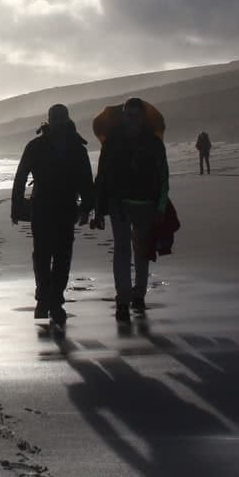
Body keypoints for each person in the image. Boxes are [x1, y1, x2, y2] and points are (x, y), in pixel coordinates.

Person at [11, 103, 95, 329]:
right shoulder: (36, 146)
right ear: (49, 120)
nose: (58, 123)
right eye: (55, 119)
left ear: (66, 120)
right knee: (42, 255)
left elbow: (86, 180)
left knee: (60, 257)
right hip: (42, 208)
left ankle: (54, 300)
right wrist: (16, 206)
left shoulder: (76, 148)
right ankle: (44, 298)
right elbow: (20, 177)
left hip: (65, 208)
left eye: (61, 119)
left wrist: (87, 207)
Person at [92, 97, 170, 321]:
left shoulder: (153, 143)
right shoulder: (112, 141)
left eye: (135, 115)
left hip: (146, 205)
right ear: (123, 115)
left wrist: (161, 206)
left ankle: (139, 293)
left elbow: (163, 175)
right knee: (122, 250)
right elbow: (103, 176)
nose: (131, 119)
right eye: (128, 115)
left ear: (142, 117)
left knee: (141, 251)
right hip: (119, 203)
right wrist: (98, 209)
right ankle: (123, 299)